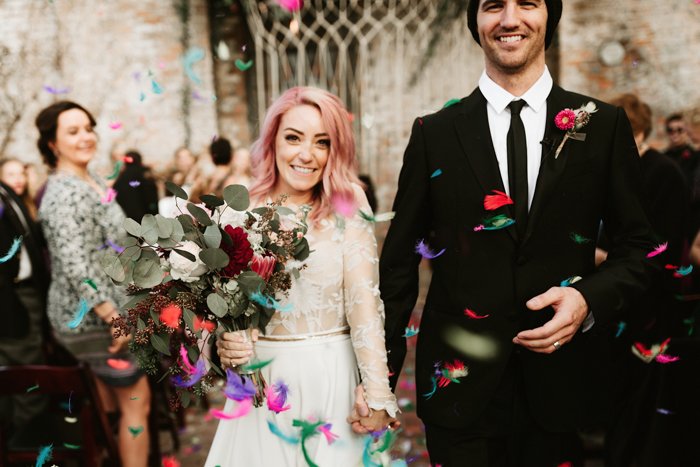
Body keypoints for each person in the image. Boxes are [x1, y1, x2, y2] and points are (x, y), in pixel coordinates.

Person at [350, 1, 659, 466]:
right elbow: (397, 266)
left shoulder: (602, 125)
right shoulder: (433, 133)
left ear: (548, 17)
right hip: (458, 388)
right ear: (476, 21)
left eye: (527, 4)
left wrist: (587, 299)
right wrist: (378, 379)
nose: (510, 19)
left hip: (560, 386)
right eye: (494, 5)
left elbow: (639, 248)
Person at [206, 87, 399, 466]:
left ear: (334, 150)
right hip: (261, 385)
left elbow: (364, 303)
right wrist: (220, 345)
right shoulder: (236, 209)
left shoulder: (349, 202)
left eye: (322, 142)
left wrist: (378, 394)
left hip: (332, 379)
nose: (306, 155)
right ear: (272, 140)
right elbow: (214, 310)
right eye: (293, 138)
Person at [35, 101, 151, 467]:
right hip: (93, 318)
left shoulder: (93, 178)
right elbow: (73, 263)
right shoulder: (64, 192)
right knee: (137, 404)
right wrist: (111, 314)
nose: (86, 137)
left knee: (110, 407)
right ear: (52, 144)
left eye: (88, 128)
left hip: (106, 309)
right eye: (73, 132)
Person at [597, 94, 688, 466]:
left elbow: (661, 250)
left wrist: (602, 258)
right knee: (616, 395)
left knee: (639, 399)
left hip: (649, 303)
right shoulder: (620, 168)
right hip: (616, 299)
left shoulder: (662, 171)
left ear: (638, 132)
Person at [0, 170, 51, 435]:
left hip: (26, 294)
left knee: (22, 377)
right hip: (11, 301)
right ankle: (27, 446)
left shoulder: (7, 194)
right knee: (25, 380)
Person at [113, 150, 159, 222]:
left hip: (128, 222)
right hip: (147, 219)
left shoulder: (120, 180)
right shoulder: (145, 173)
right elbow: (152, 197)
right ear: (140, 160)